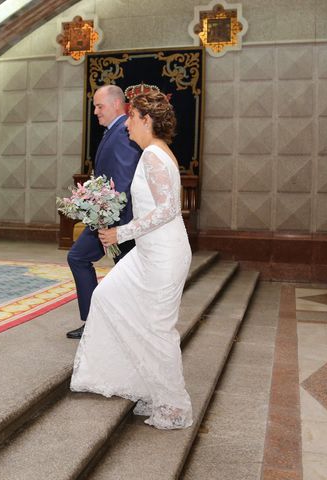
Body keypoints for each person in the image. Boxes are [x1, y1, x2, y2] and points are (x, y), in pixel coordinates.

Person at [70, 90, 193, 430]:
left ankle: (173, 406)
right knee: (108, 297)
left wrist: (120, 234)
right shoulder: (151, 152)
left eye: (133, 119)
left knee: (158, 329)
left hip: (164, 255)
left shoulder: (154, 155)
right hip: (147, 253)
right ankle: (143, 383)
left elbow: (168, 211)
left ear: (147, 120)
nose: (127, 126)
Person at [65, 85, 141, 339]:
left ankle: (111, 324)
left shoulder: (122, 132)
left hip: (117, 219)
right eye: (95, 106)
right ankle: (98, 322)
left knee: (121, 272)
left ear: (118, 104)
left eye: (100, 106)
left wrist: (115, 224)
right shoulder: (113, 131)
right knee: (82, 258)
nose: (95, 112)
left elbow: (123, 181)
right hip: (105, 216)